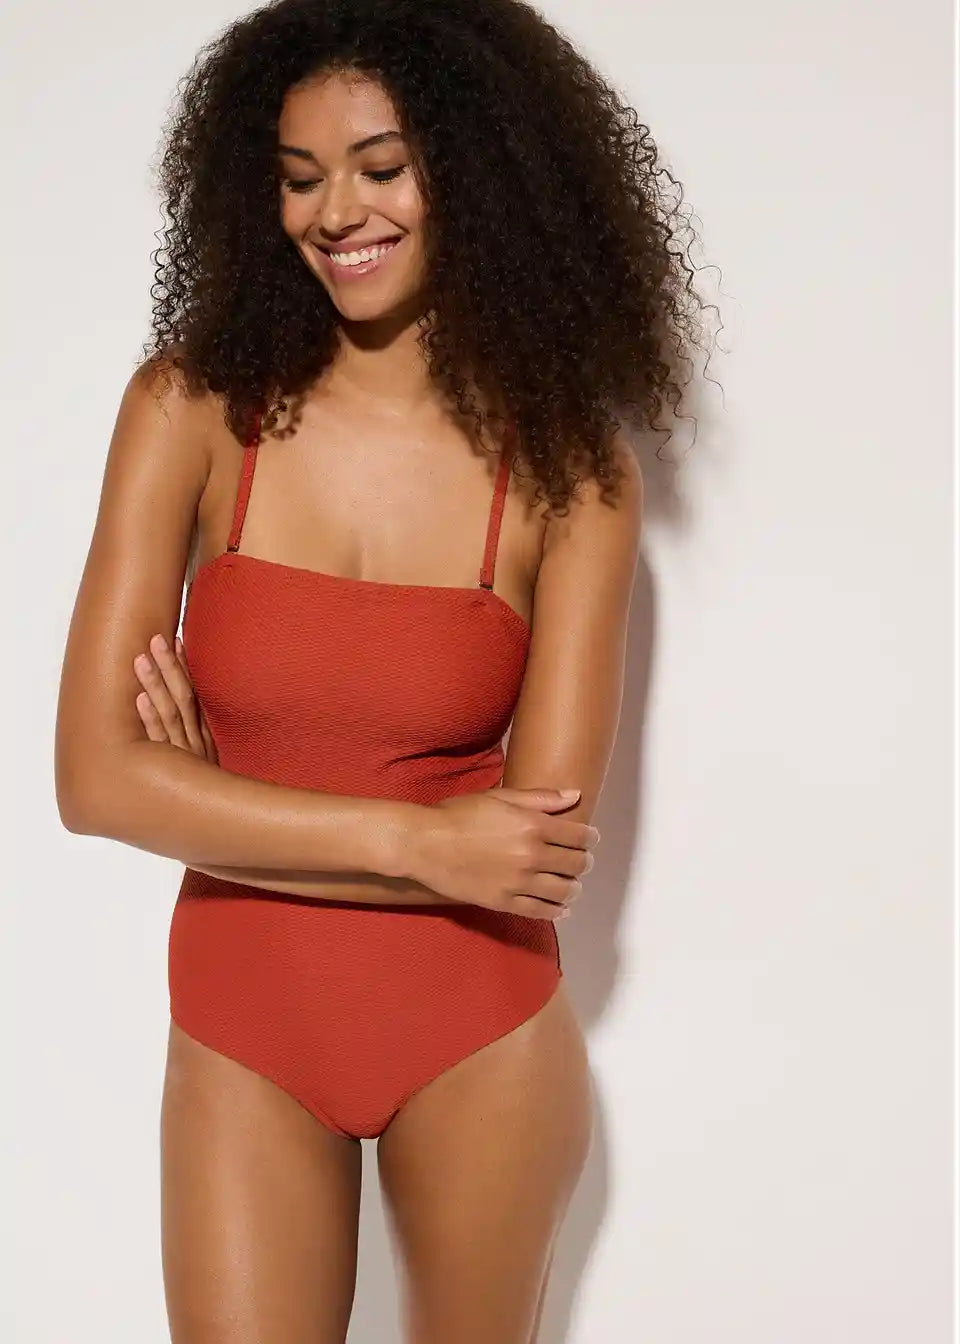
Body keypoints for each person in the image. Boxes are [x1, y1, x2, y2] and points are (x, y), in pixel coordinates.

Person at [54, 1, 706, 1338]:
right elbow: (94, 785)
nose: (336, 212)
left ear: (479, 171)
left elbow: (526, 856)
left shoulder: (573, 474)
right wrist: (420, 841)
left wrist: (219, 801)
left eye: (381, 166)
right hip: (242, 1025)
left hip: (478, 1033)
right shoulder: (188, 410)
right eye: (299, 178)